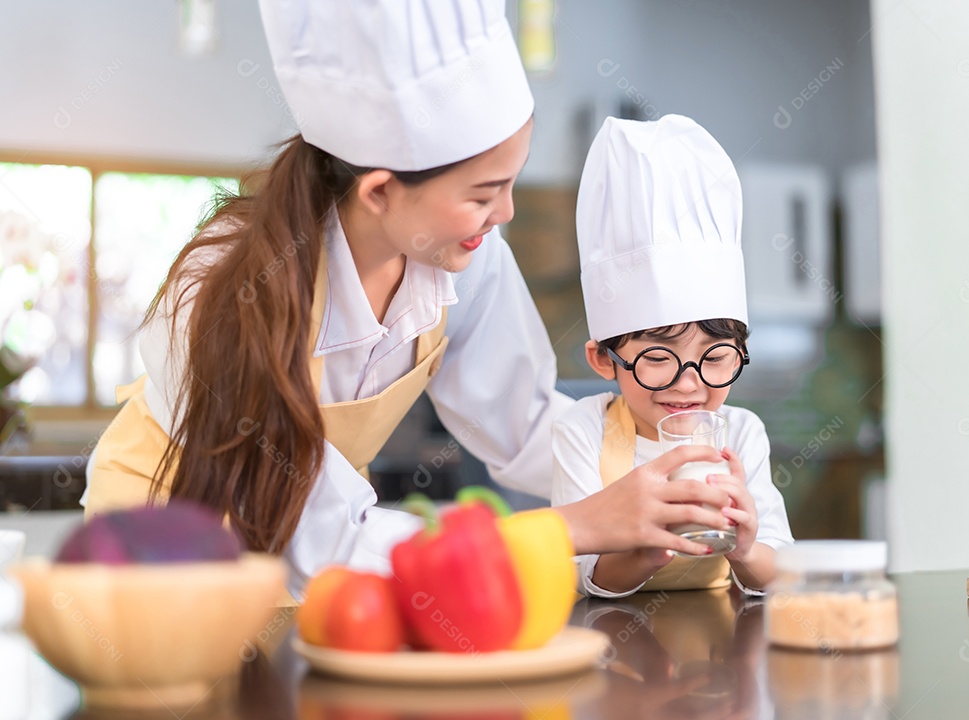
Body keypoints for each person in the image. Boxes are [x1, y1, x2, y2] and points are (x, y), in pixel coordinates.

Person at [80, 0, 733, 598]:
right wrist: (577, 526)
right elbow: (324, 536)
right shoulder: (225, 290)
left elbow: (529, 423)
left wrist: (665, 473)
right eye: (481, 194)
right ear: (380, 192)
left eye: (510, 184)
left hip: (322, 571)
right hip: (156, 563)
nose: (503, 214)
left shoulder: (460, 260)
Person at [551, 115, 794, 598]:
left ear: (741, 353)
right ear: (604, 359)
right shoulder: (582, 430)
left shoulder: (742, 433)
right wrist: (646, 550)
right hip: (616, 653)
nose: (689, 385)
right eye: (659, 359)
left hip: (720, 653)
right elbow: (578, 575)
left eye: (716, 356)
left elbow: (780, 569)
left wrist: (746, 549)